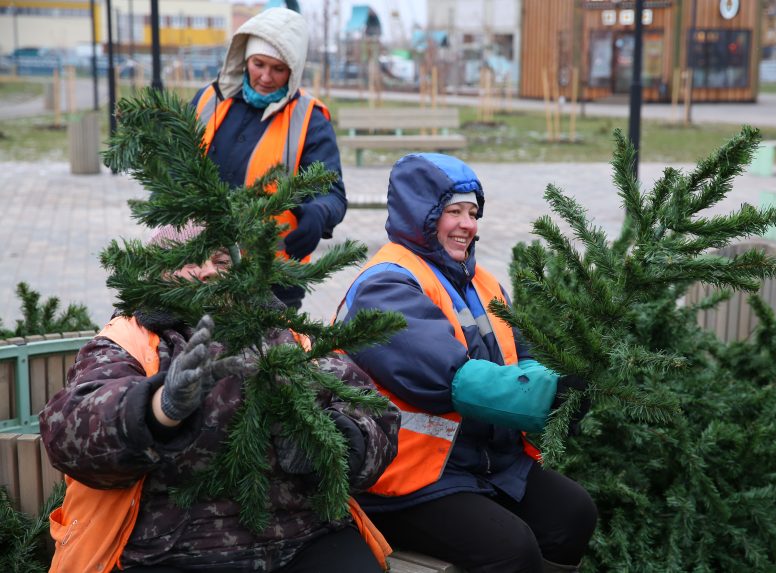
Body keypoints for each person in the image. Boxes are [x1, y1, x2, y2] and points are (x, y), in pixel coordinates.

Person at [40, 224, 399, 573]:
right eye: (193, 259)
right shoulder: (131, 340)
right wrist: (157, 409)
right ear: (160, 271)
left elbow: (371, 410)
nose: (210, 272)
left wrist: (330, 440)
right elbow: (69, 432)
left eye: (222, 262)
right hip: (170, 550)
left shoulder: (289, 336)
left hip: (304, 536)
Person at [335, 153, 598, 573]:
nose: (468, 224)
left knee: (573, 515)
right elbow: (450, 377)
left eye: (473, 212)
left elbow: (521, 359)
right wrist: (547, 395)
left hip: (485, 461)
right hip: (408, 476)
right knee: (511, 551)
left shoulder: (483, 282)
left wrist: (569, 383)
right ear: (420, 214)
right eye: (452, 211)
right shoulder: (384, 286)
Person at [191, 7, 346, 309]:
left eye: (278, 69)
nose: (265, 77)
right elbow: (174, 164)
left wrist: (318, 213)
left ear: (294, 70)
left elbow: (332, 191)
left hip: (272, 280)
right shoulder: (208, 101)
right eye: (258, 63)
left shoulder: (309, 120)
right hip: (198, 267)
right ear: (244, 58)